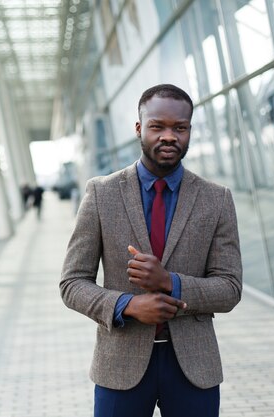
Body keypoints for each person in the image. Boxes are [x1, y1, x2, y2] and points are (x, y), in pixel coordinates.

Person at [60, 84, 242, 417]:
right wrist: (127, 305)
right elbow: (72, 283)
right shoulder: (101, 194)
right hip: (120, 365)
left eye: (180, 128)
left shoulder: (216, 199)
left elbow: (230, 288)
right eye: (158, 126)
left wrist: (170, 282)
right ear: (139, 128)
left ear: (189, 131)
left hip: (193, 366)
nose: (169, 136)